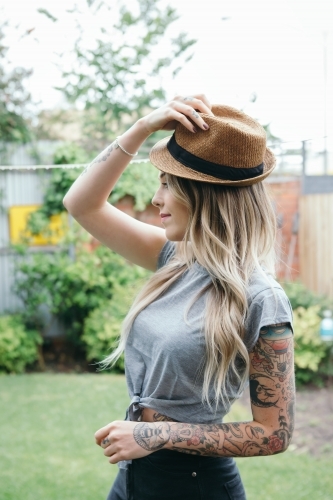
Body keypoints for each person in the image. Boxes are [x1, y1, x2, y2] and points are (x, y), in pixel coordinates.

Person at [63, 94, 295, 500]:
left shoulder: (262, 299)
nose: (156, 199)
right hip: (135, 474)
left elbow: (275, 433)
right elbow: (80, 204)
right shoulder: (174, 258)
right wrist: (141, 128)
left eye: (168, 185)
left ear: (204, 196)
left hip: (195, 485)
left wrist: (157, 433)